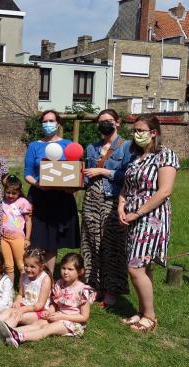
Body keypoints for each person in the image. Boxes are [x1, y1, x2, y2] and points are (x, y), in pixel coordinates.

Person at [118, 114, 179, 332]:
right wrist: (121, 206)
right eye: (134, 131)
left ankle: (151, 317)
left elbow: (164, 191)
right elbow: (126, 187)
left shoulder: (165, 155)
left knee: (134, 267)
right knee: (143, 267)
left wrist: (137, 213)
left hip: (152, 217)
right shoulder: (136, 158)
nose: (136, 134)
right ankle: (143, 311)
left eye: (140, 130)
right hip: (132, 216)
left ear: (153, 133)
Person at [82, 109, 134, 307]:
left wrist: (103, 171)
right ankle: (94, 285)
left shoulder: (127, 146)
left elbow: (128, 176)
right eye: (101, 121)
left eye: (109, 121)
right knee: (90, 243)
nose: (105, 124)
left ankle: (112, 289)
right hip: (91, 199)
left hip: (112, 199)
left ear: (117, 123)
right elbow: (86, 176)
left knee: (112, 244)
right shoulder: (91, 148)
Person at [0, 253, 96, 347]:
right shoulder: (60, 284)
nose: (65, 272)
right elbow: (55, 305)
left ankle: (20, 337)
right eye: (63, 268)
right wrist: (49, 312)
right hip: (57, 316)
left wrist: (61, 316)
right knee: (38, 324)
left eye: (70, 269)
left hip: (73, 323)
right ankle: (10, 332)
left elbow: (84, 317)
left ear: (80, 272)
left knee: (46, 329)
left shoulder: (83, 290)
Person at [24, 110, 80, 273]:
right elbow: (27, 173)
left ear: (58, 123)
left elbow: (74, 171)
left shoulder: (68, 144)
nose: (48, 124)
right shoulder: (34, 146)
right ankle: (34, 275)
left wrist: (71, 187)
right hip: (39, 196)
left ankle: (48, 278)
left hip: (61, 198)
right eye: (45, 121)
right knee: (38, 238)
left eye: (51, 121)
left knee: (52, 242)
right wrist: (38, 184)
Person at [0, 248, 52, 329]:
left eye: (32, 267)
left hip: (39, 312)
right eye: (26, 265)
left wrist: (22, 310)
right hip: (25, 305)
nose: (28, 269)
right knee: (8, 311)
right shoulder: (23, 275)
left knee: (16, 316)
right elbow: (20, 294)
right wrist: (17, 302)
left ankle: (2, 331)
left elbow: (40, 305)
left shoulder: (45, 279)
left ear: (41, 267)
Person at [1, 175, 32, 285]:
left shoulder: (23, 202)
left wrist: (27, 238)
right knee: (8, 266)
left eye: (14, 193)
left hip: (18, 238)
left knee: (22, 265)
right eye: (8, 192)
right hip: (3, 238)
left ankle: (23, 290)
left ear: (19, 192)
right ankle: (9, 291)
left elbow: (28, 221)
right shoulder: (1, 201)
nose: (10, 195)